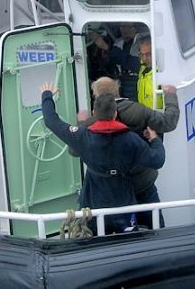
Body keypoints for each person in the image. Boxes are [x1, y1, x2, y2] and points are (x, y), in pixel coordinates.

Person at [40, 83, 165, 234]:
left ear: (94, 112)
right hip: (124, 203)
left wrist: (47, 95)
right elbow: (158, 160)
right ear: (115, 114)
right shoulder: (131, 139)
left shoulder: (82, 137)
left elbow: (51, 121)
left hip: (94, 204)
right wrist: (154, 139)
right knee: (129, 240)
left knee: (95, 241)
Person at [76, 77, 179, 227]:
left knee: (116, 234)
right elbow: (169, 122)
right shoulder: (138, 110)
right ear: (117, 90)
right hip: (142, 183)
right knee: (155, 229)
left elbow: (75, 150)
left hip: (112, 191)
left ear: (97, 97)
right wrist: (170, 96)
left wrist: (81, 123)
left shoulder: (91, 124)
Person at [135, 35, 175, 109]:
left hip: (157, 116)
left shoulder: (162, 72)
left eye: (148, 54)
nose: (144, 58)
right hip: (144, 115)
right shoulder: (142, 69)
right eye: (141, 54)